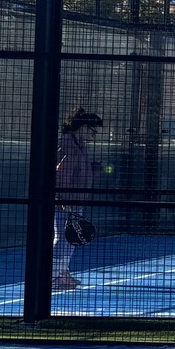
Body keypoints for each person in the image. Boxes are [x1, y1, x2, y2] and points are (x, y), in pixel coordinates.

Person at [53, 107, 103, 291]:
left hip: (75, 201)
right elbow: (62, 175)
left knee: (71, 239)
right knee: (62, 238)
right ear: (83, 127)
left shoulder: (79, 146)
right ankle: (53, 275)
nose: (94, 136)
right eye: (93, 132)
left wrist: (95, 169)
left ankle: (62, 272)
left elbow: (78, 173)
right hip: (66, 202)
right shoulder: (69, 146)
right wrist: (64, 200)